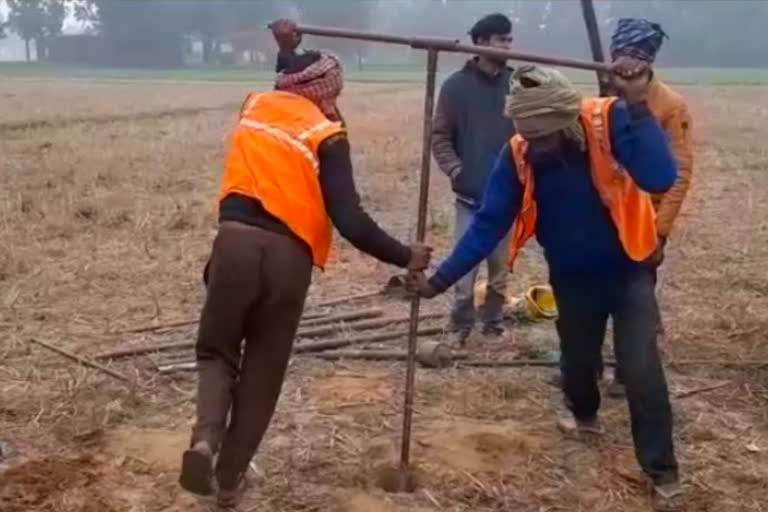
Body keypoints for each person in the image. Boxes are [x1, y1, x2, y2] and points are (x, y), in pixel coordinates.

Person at [178, 20, 432, 508]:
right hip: (288, 260)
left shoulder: (254, 107)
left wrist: (287, 48)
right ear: (328, 90)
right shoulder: (328, 135)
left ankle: (205, 439)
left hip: (232, 246)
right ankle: (229, 482)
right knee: (263, 371)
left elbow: (284, 81)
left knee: (216, 351)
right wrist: (407, 255)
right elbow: (352, 221)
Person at [409, 63, 685, 510]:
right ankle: (584, 414)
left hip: (629, 268)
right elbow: (486, 226)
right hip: (572, 277)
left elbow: (659, 178)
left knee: (640, 366)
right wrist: (440, 281)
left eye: (545, 135)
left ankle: (662, 469)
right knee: (577, 361)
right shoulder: (518, 154)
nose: (537, 144)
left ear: (566, 118)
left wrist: (636, 104)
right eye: (528, 134)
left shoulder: (609, 120)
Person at [606, 18, 694, 398]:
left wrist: (659, 230)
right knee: (593, 294)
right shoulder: (603, 97)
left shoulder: (670, 106)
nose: (623, 65)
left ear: (647, 61)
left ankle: (630, 374)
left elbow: (680, 171)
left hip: (644, 221)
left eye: (632, 57)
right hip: (605, 214)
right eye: (618, 55)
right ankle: (585, 366)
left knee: (636, 299)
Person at [431, 13, 517, 345]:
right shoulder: (455, 88)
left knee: (499, 270)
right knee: (464, 270)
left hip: (508, 197)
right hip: (469, 197)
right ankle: (460, 324)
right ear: (481, 44)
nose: (508, 45)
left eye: (510, 39)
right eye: (501, 40)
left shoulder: (517, 85)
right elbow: (440, 137)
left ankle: (493, 323)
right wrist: (457, 170)